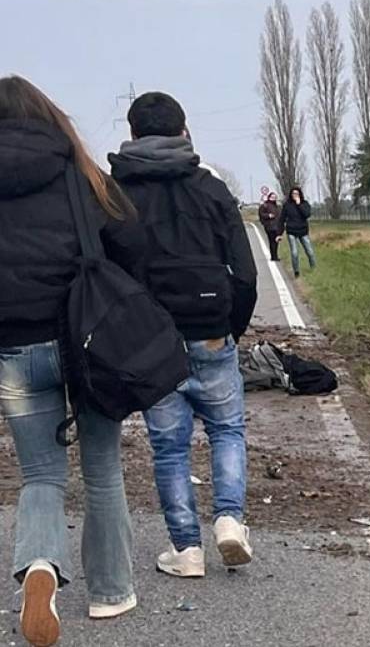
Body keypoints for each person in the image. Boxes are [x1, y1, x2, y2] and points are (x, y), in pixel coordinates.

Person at [0, 76, 140, 644]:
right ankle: (110, 592)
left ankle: (39, 567)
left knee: (40, 474)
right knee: (103, 469)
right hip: (87, 341)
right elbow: (133, 244)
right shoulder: (81, 176)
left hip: (13, 345)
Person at [109, 92, 257, 579]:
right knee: (227, 429)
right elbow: (246, 274)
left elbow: (105, 274)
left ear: (131, 135)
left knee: (170, 448)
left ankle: (186, 549)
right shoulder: (211, 189)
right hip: (213, 331)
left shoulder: (115, 194)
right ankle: (230, 520)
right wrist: (229, 328)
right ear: (184, 131)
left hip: (154, 343)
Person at [281, 186, 315, 278]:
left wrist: (299, 204)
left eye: (296, 194)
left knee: (310, 251)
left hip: (303, 231)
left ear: (300, 194)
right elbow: (282, 219)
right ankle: (296, 272)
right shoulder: (287, 205)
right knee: (294, 253)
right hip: (291, 231)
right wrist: (279, 233)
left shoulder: (305, 203)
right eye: (293, 194)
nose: (295, 195)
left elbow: (307, 214)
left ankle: (314, 269)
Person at [258, 191, 283, 261]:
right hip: (269, 226)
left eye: (275, 197)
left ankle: (275, 255)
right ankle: (273, 256)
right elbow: (261, 214)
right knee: (272, 241)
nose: (273, 198)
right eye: (272, 197)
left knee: (276, 241)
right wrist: (268, 215)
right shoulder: (265, 205)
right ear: (269, 197)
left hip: (277, 226)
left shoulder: (278, 206)